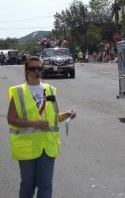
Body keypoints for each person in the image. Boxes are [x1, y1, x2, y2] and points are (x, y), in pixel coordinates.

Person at [6, 56, 76, 198]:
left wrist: (68, 114)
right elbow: (11, 119)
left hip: (47, 146)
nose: (36, 71)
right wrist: (34, 124)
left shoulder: (49, 90)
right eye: (33, 68)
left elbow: (55, 117)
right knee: (28, 185)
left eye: (39, 68)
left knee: (45, 185)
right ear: (26, 71)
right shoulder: (18, 92)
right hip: (27, 148)